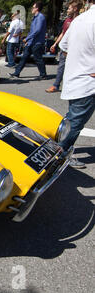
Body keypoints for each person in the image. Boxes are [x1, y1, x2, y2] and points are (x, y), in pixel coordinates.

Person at [57, 0, 95, 169]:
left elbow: (63, 45)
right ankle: (60, 155)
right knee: (75, 121)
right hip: (88, 81)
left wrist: (79, 59)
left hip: (76, 78)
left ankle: (57, 151)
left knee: (72, 119)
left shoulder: (80, 19)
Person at [45, 1, 82, 93]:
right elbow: (63, 33)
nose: (67, 10)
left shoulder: (80, 20)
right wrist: (55, 44)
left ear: (75, 9)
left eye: (69, 8)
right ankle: (56, 85)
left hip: (74, 49)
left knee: (74, 69)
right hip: (64, 49)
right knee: (61, 67)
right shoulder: (67, 20)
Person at [9, 2, 47, 81]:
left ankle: (43, 74)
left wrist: (27, 39)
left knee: (38, 59)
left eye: (33, 7)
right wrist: (28, 40)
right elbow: (32, 30)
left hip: (37, 42)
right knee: (24, 57)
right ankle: (16, 73)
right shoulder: (35, 17)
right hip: (31, 42)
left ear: (37, 8)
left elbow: (37, 31)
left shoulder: (40, 17)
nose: (32, 9)